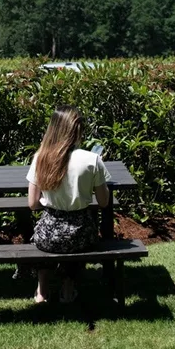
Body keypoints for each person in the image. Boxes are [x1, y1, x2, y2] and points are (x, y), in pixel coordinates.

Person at [26, 105, 110, 303]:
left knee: (43, 240)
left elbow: (32, 203)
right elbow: (104, 202)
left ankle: (42, 291)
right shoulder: (92, 159)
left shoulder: (40, 158)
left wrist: (52, 204)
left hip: (49, 234)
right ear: (77, 129)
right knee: (78, 241)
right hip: (81, 233)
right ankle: (68, 288)